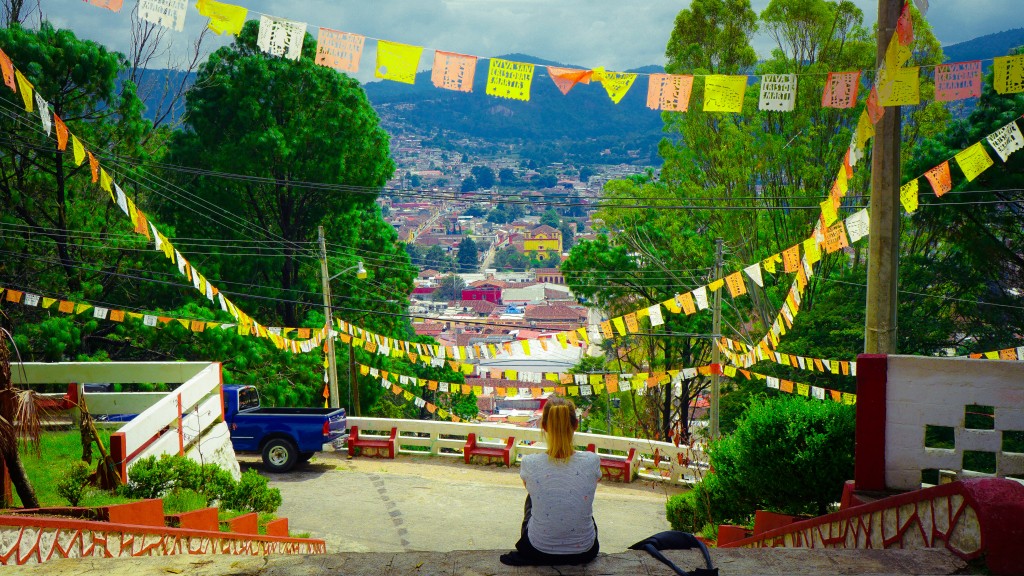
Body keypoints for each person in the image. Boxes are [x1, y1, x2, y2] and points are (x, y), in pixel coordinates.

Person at [499, 396, 601, 566]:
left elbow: (533, 492)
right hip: (584, 551)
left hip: (539, 549)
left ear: (544, 426)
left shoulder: (530, 463)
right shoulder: (592, 461)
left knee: (532, 498)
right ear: (575, 425)